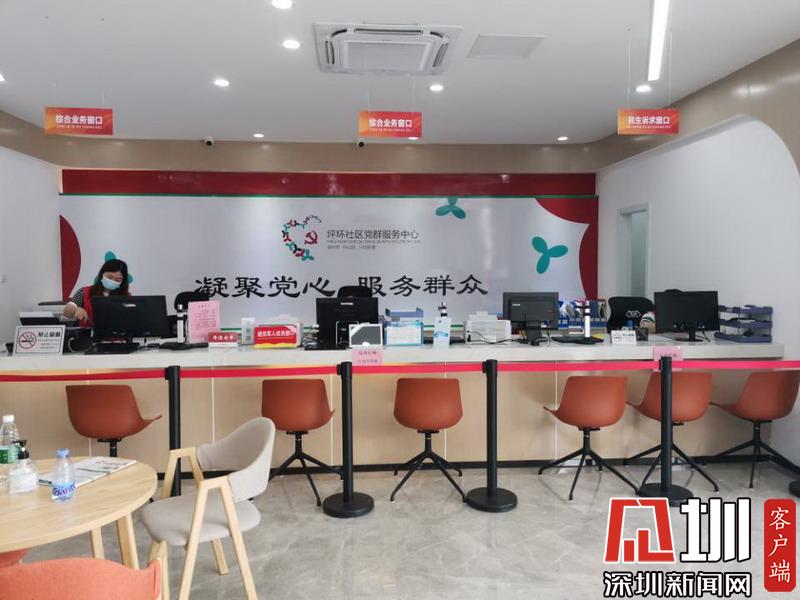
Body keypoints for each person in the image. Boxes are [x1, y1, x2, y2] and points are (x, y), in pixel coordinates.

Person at [63, 258, 130, 327]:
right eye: (109, 277)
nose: (113, 281)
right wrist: (76, 309)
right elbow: (66, 312)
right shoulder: (84, 292)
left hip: (118, 333)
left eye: (118, 280)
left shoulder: (127, 297)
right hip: (88, 332)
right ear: (102, 274)